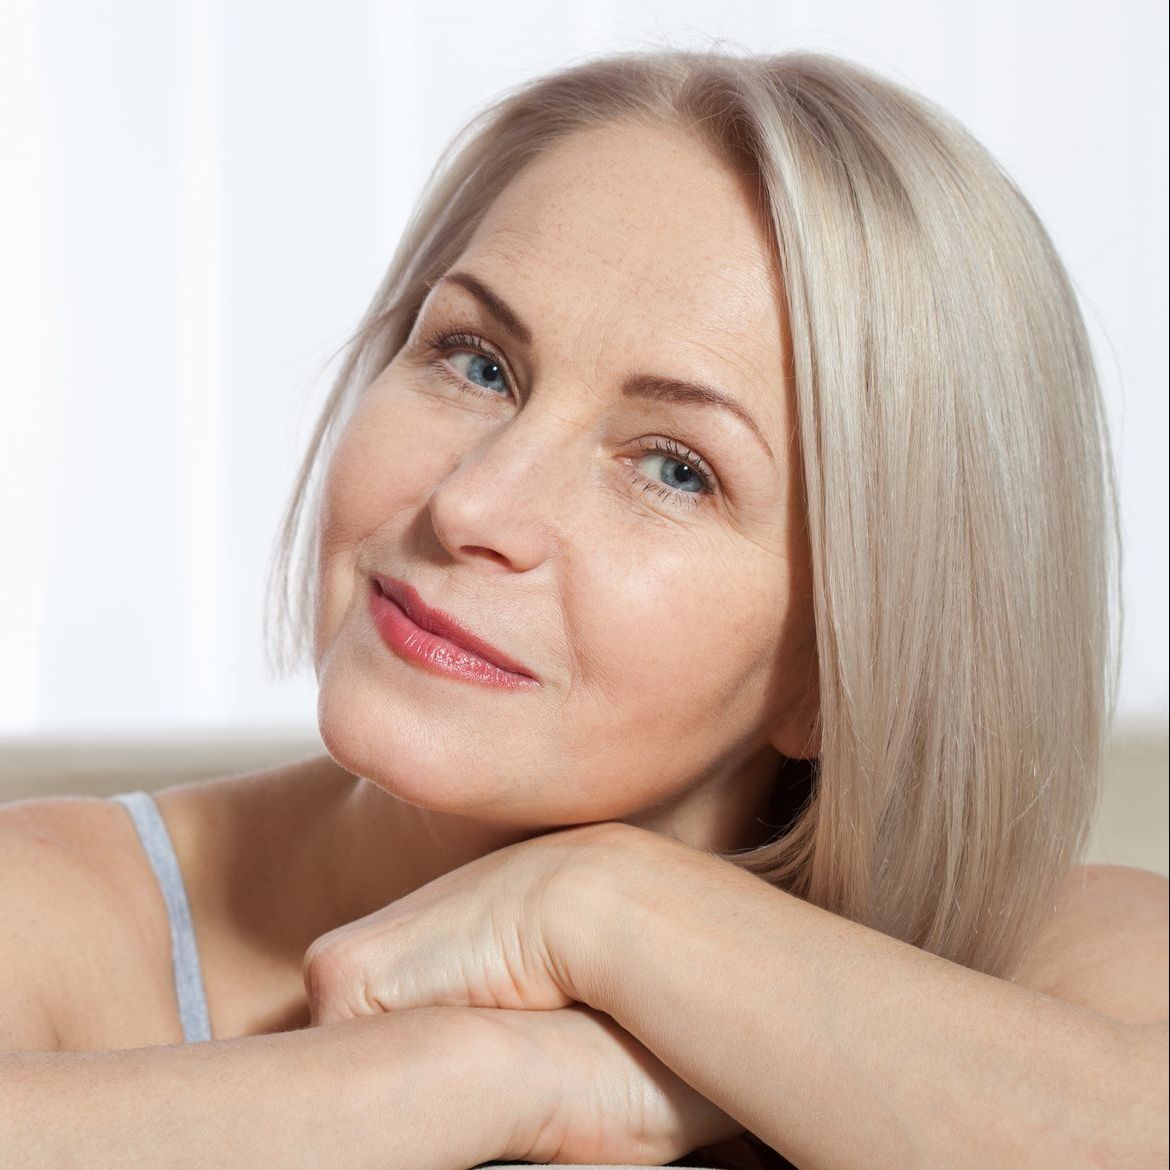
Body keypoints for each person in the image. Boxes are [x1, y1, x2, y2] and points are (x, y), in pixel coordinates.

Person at [1, 46, 1165, 1170]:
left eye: (673, 468)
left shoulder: (1043, 977)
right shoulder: (50, 913)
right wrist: (463, 1081)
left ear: (849, 662)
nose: (473, 505)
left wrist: (603, 909)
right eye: (475, 361)